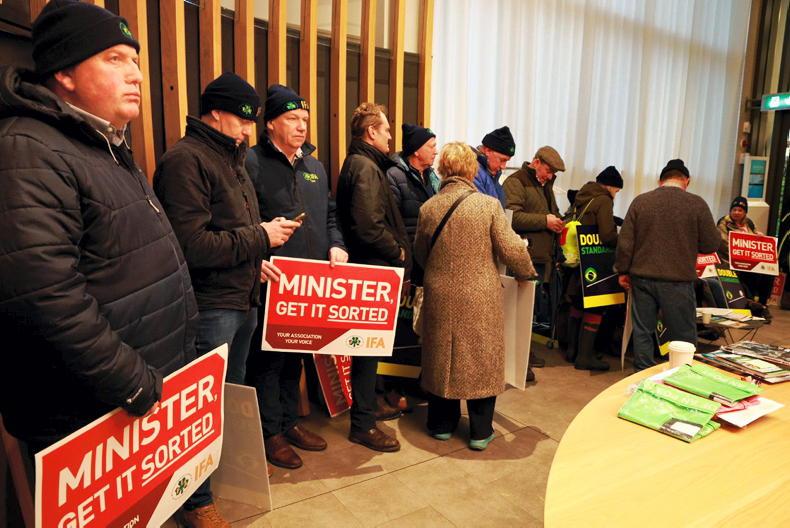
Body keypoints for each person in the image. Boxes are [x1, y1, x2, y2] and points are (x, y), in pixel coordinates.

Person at [0, 0, 197, 483]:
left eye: (135, 60)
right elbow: (47, 299)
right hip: (87, 408)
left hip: (127, 396)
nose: (136, 74)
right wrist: (133, 382)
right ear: (64, 73)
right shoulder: (29, 149)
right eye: (114, 58)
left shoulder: (103, 143)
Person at [153, 73, 298, 526]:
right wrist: (260, 237)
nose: (248, 130)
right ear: (215, 111)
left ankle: (216, 482)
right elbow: (191, 244)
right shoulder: (185, 160)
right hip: (211, 305)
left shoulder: (230, 156)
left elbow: (229, 233)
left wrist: (258, 260)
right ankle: (195, 502)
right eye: (242, 119)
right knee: (200, 408)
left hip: (241, 299)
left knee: (225, 403)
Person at [245, 84, 346, 470]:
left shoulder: (315, 168)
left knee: (298, 357)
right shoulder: (252, 162)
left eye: (305, 119)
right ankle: (271, 432)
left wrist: (336, 244)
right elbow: (241, 220)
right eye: (292, 118)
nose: (302, 126)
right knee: (268, 361)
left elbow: (331, 215)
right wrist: (257, 255)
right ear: (270, 123)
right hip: (273, 280)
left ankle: (290, 423)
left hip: (312, 282)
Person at [414, 142, 536, 450]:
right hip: (479, 294)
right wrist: (526, 272)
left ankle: (441, 425)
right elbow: (511, 249)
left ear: (443, 169)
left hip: (439, 292)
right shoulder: (487, 206)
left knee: (442, 356)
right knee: (481, 359)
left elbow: (420, 253)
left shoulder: (428, 208)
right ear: (471, 169)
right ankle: (480, 431)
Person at [335, 102, 411, 452]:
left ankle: (365, 414)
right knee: (366, 351)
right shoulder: (365, 166)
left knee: (370, 349)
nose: (391, 135)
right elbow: (368, 226)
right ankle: (363, 425)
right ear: (371, 133)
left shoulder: (364, 163)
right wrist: (396, 251)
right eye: (386, 130)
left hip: (372, 268)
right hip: (373, 269)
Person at [615, 159, 720, 371]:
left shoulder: (641, 202)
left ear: (660, 180)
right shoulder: (697, 204)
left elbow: (625, 243)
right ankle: (682, 376)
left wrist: (622, 271)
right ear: (686, 181)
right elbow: (711, 244)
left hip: (642, 278)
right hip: (678, 281)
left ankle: (642, 375)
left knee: (643, 331)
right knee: (682, 335)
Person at [502, 146, 566, 375]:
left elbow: (551, 212)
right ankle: (516, 360)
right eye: (548, 170)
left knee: (529, 312)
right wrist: (545, 221)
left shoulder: (545, 185)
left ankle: (524, 354)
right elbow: (511, 216)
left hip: (540, 257)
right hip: (524, 257)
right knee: (518, 311)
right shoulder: (516, 182)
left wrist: (557, 219)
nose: (550, 176)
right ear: (536, 162)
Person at [564, 166, 623, 371]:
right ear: (609, 186)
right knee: (596, 306)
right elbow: (607, 235)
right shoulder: (604, 199)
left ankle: (572, 351)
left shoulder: (583, 196)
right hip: (595, 262)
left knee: (578, 304)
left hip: (578, 260)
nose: (616, 195)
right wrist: (622, 239)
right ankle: (585, 356)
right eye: (616, 190)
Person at [716, 196, 774, 314]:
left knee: (768, 272)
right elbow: (723, 244)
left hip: (748, 259)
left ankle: (762, 303)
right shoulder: (723, 223)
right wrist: (742, 254)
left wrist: (759, 237)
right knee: (750, 272)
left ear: (745, 212)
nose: (736, 212)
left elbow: (754, 239)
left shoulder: (749, 223)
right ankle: (749, 302)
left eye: (740, 210)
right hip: (729, 260)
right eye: (734, 210)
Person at [387, 123, 440, 246]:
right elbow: (392, 222)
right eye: (431, 147)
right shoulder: (394, 176)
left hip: (428, 251)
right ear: (416, 151)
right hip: (408, 251)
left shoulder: (432, 177)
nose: (436, 152)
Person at [473, 126, 516, 207]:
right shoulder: (473, 172)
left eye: (507, 161)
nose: (503, 166)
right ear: (488, 151)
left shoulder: (492, 174)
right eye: (502, 160)